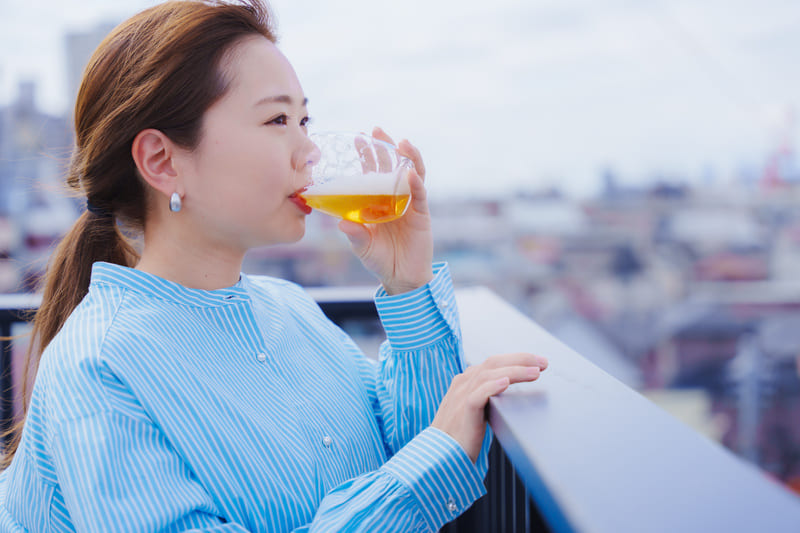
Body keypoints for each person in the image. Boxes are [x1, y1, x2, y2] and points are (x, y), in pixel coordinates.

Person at [0, 1, 547, 530]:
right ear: (162, 162)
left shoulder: (288, 308)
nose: (309, 151)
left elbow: (409, 455)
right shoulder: (98, 367)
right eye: (278, 118)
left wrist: (406, 285)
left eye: (305, 119)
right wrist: (434, 462)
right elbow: (423, 469)